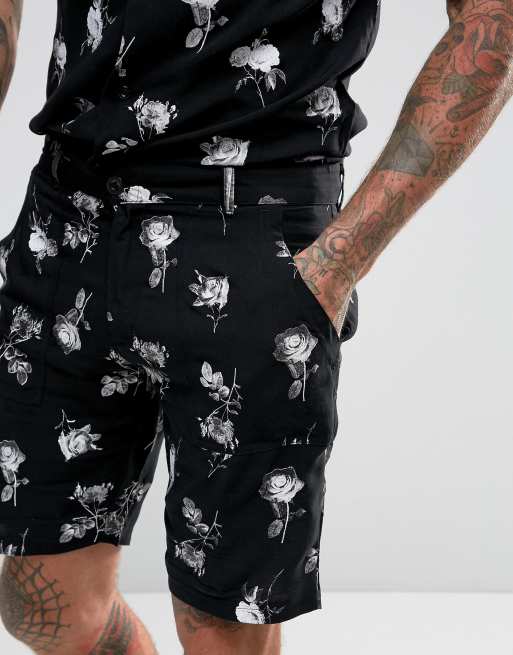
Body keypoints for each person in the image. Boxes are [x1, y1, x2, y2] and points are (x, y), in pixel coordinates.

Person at [0, 1, 511, 654]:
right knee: (44, 603)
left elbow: (491, 19)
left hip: (251, 225)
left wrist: (336, 264)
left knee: (221, 625)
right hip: (65, 220)